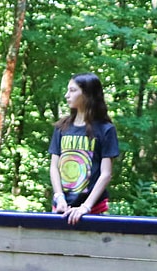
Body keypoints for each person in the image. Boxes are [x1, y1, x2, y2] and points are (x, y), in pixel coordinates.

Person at [49, 72, 119, 225]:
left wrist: (85, 207)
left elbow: (106, 174)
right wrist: (59, 197)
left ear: (87, 94)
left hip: (92, 209)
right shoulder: (61, 127)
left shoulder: (105, 129)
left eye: (73, 91)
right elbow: (54, 166)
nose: (67, 95)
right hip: (61, 207)